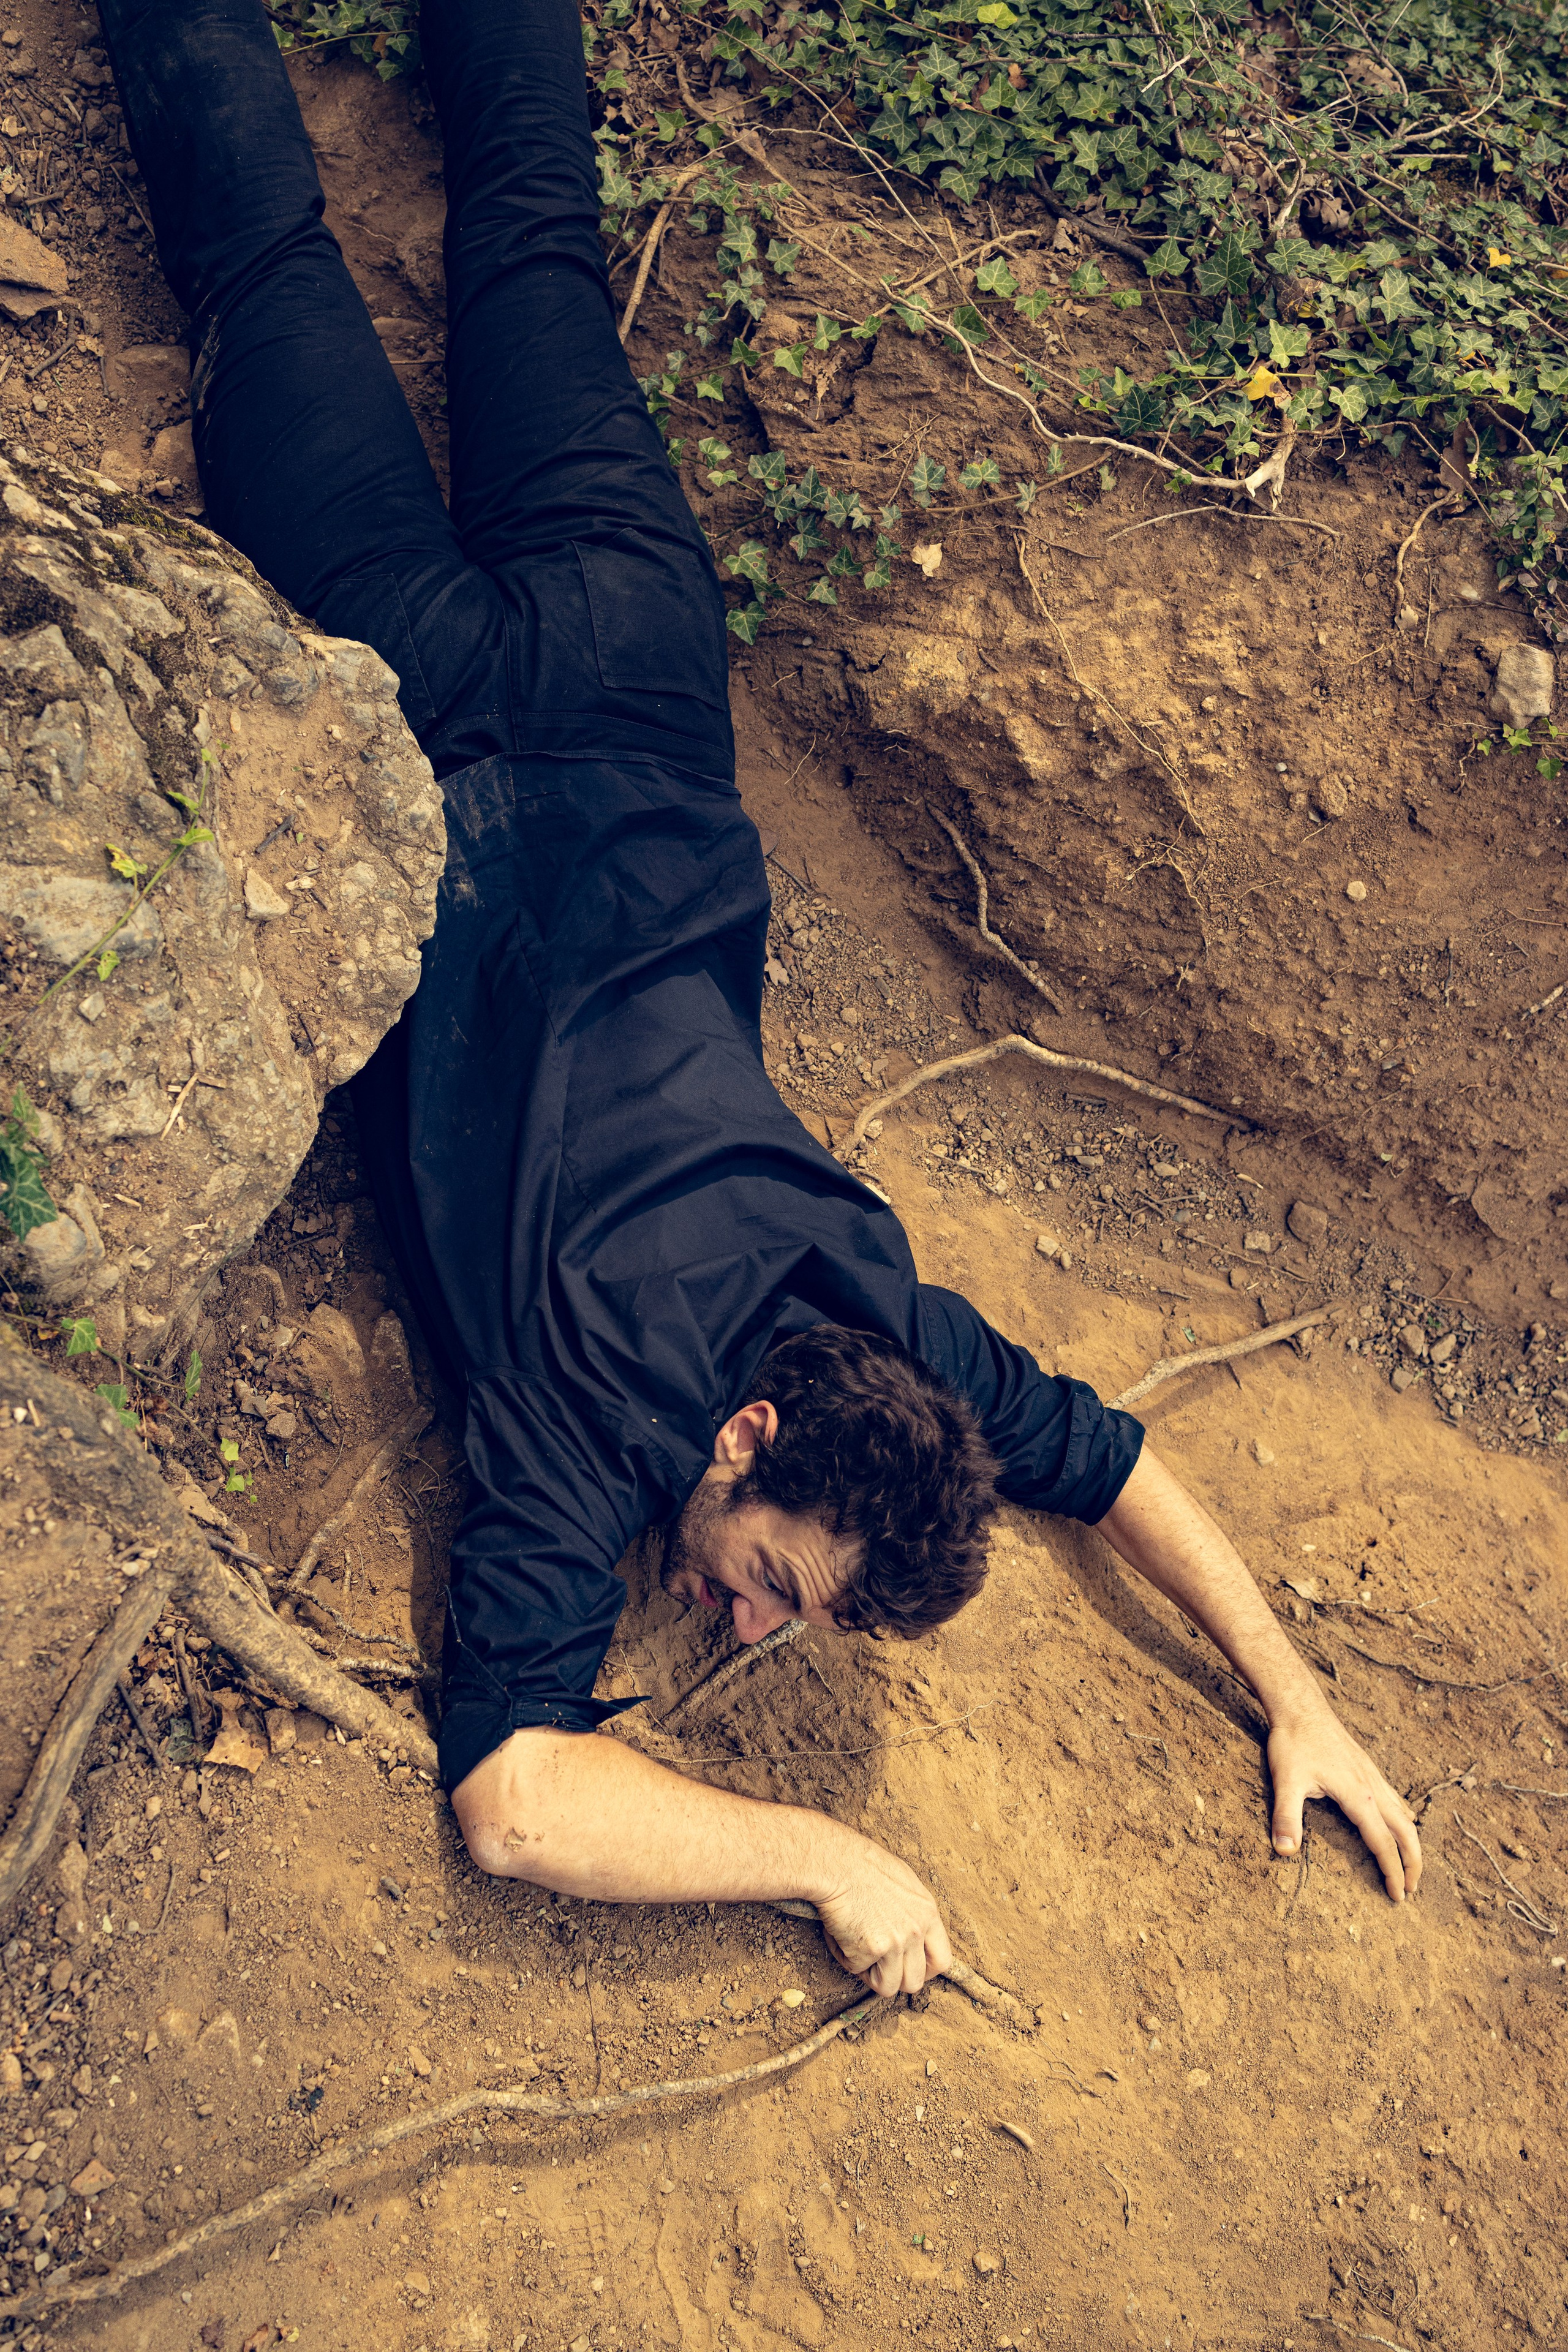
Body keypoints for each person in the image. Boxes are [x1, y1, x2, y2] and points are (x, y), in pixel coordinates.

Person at [100, 0, 1421, 1996]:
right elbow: (514, 1801)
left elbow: (1119, 1463)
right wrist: (822, 1858)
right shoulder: (587, 1413)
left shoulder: (907, 1360)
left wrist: (1296, 1696)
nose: (751, 1624)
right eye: (782, 1586)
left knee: (532, 239)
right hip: (423, 712)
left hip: (636, 682)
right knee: (262, 262)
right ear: (741, 1437)